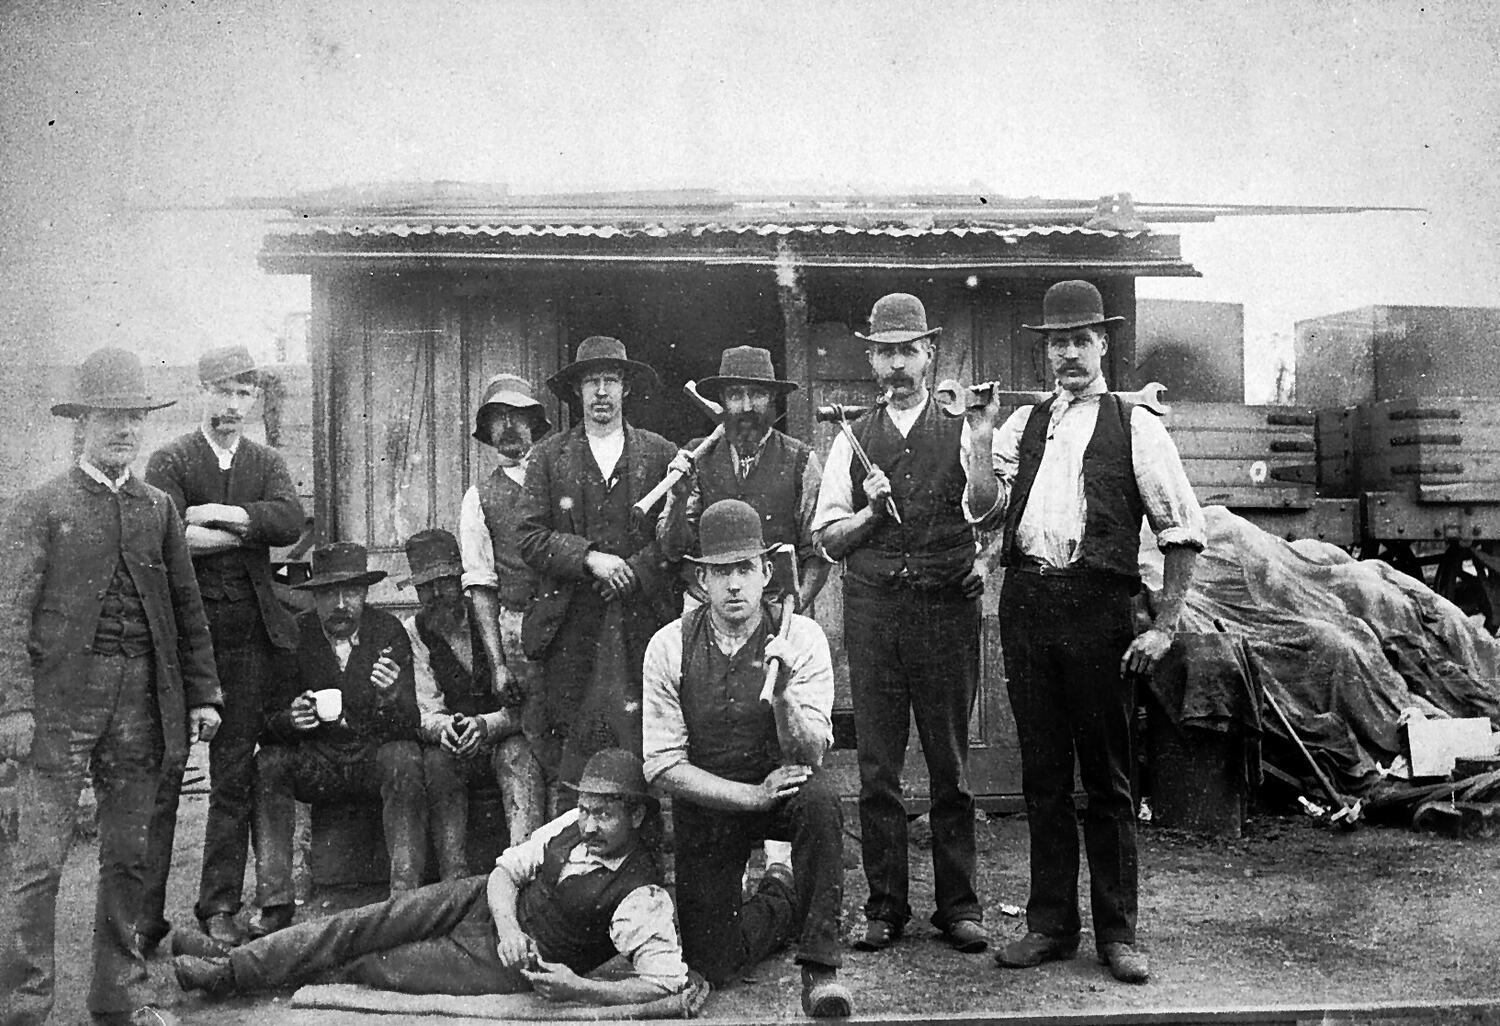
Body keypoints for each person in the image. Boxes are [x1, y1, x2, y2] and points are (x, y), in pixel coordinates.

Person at [987, 280, 1205, 984]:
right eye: (1058, 343)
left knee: (1109, 781)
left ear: (1103, 344)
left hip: (1098, 611)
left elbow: (1182, 530)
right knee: (1043, 776)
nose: (1069, 355)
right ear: (1045, 352)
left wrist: (1165, 625)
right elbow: (982, 505)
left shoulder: (1136, 424)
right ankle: (1051, 925)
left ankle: (1117, 933)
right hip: (1027, 606)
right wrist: (975, 434)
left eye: (1081, 341)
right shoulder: (1022, 426)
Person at [0, 347, 222, 1026]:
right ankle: (24, 1004)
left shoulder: (158, 508)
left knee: (130, 856)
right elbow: (9, 615)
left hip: (142, 703)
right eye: (110, 417)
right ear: (83, 424)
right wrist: (14, 706)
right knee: (39, 862)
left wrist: (203, 694)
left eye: (134, 418)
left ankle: (118, 995)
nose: (125, 430)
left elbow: (186, 608)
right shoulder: (42, 506)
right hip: (61, 704)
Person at [172, 748, 688, 1005]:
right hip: (485, 904)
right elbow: (507, 871)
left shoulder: (642, 894)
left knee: (375, 965)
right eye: (587, 809)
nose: (589, 824)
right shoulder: (574, 822)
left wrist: (580, 987)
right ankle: (231, 964)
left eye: (605, 815)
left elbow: (664, 981)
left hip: (503, 964)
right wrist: (508, 925)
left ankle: (234, 973)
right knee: (366, 922)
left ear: (636, 815)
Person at [811, 293, 1000, 956]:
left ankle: (959, 907)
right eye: (885, 352)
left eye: (908, 351)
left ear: (929, 355)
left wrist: (981, 441)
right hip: (875, 616)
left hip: (946, 612)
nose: (897, 364)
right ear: (871, 360)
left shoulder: (962, 428)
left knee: (951, 767)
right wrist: (869, 513)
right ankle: (885, 907)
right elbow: (828, 540)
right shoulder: (850, 437)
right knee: (878, 770)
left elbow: (988, 511)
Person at [643, 499, 852, 1018]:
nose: (734, 585)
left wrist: (782, 698)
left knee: (820, 802)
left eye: (744, 569)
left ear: (765, 574)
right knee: (713, 964)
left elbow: (812, 754)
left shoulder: (802, 637)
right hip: (711, 798)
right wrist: (750, 796)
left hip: (784, 787)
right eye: (721, 572)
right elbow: (663, 765)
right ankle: (781, 896)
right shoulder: (668, 645)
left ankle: (820, 970)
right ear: (701, 580)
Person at [140, 344, 306, 951]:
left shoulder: (265, 461)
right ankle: (143, 916)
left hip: (246, 641)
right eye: (222, 391)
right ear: (200, 391)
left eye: (243, 393)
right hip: (181, 640)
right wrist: (246, 532)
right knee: (165, 775)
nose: (232, 404)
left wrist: (215, 512)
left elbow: (289, 522)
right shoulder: (170, 458)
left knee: (233, 776)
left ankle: (218, 907)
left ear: (255, 400)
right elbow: (168, 536)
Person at [516, 336, 679, 801]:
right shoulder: (548, 456)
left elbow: (678, 539)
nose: (602, 392)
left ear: (626, 387)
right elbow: (528, 536)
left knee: (642, 743)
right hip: (570, 627)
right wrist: (590, 559)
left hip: (641, 621)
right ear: (577, 391)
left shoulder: (659, 453)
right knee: (573, 751)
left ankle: (642, 840)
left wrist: (636, 570)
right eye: (592, 382)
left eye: (611, 380)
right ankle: (575, 841)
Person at [248, 541, 425, 938]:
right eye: (330, 594)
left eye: (351, 592)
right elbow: (265, 722)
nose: (341, 604)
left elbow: (410, 722)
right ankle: (275, 901)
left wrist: (390, 697)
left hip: (370, 757)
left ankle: (405, 898)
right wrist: (290, 719)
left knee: (404, 758)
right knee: (268, 764)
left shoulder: (387, 631)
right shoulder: (295, 634)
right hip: (318, 760)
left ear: (365, 593)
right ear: (315, 597)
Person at [401, 527, 545, 877]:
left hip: (501, 737)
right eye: (426, 587)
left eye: (445, 582)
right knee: (436, 763)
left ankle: (523, 868)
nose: (437, 594)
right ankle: (455, 876)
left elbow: (527, 708)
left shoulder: (495, 622)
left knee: (519, 756)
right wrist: (447, 729)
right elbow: (423, 708)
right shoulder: (414, 632)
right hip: (453, 743)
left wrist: (486, 725)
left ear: (461, 580)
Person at [658, 345, 830, 612]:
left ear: (772, 398)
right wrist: (679, 500)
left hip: (775, 607)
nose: (747, 406)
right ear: (723, 400)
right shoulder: (696, 458)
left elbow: (819, 552)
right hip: (706, 607)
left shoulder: (802, 461)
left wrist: (793, 611)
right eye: (736, 395)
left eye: (757, 394)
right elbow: (672, 549)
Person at [458, 372, 556, 817]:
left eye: (519, 416)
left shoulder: (560, 476)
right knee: (530, 736)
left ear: (534, 423)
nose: (510, 426)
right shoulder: (479, 497)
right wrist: (498, 664)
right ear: (488, 429)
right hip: (517, 630)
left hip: (569, 624)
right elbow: (481, 584)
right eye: (499, 418)